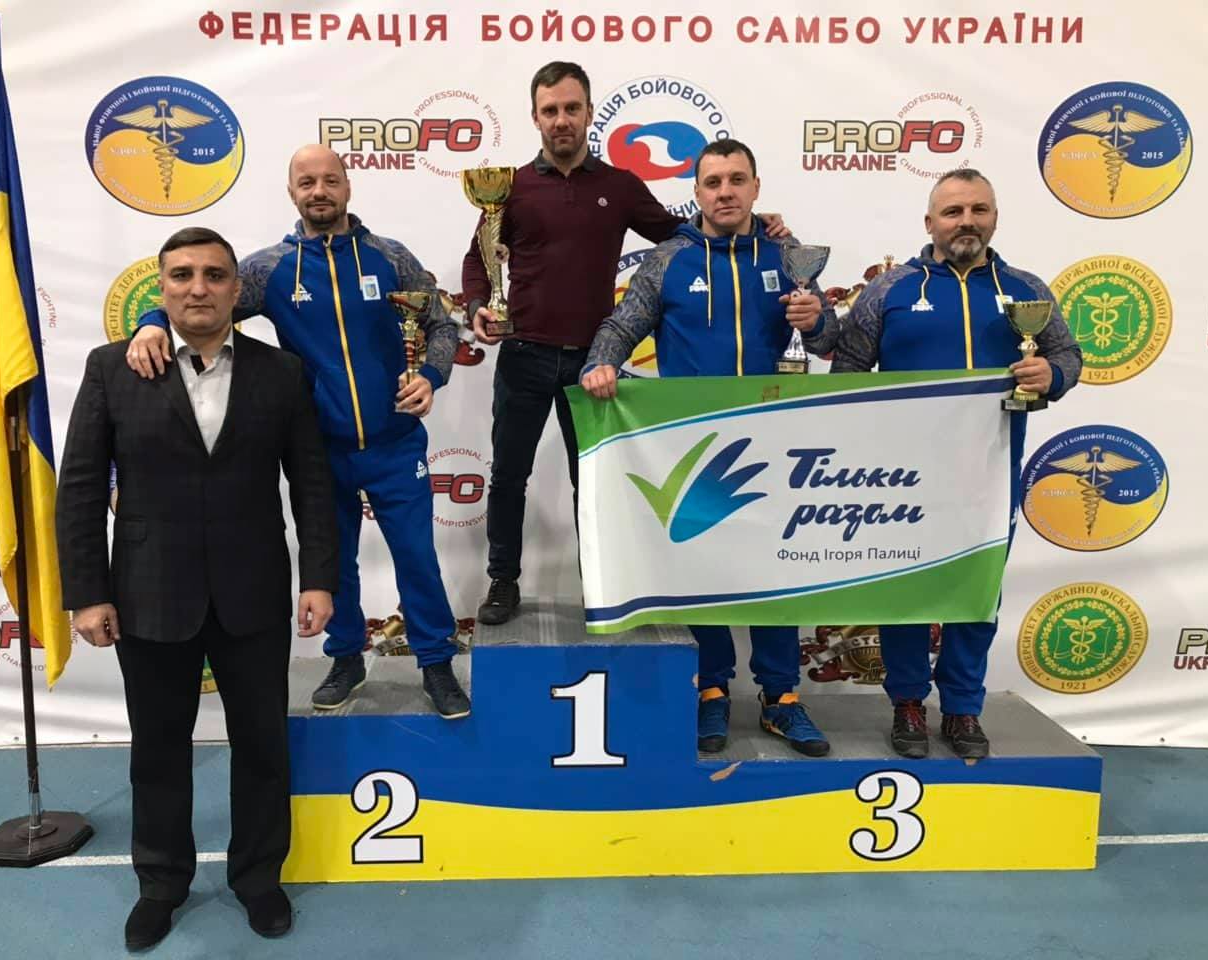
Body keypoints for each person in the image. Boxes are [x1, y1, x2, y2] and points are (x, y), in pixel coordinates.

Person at [56, 228, 338, 949]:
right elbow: (80, 487)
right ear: (161, 289)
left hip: (255, 592)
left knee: (263, 746)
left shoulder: (282, 372)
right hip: (148, 592)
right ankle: (160, 882)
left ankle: (259, 878)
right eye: (181, 275)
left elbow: (311, 482)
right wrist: (86, 593)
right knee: (157, 750)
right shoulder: (112, 368)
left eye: (214, 274)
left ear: (236, 290)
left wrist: (319, 578)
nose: (198, 287)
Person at [127, 145, 470, 718]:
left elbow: (441, 322)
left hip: (395, 442)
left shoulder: (390, 256)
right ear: (292, 193)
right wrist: (150, 322)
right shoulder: (269, 270)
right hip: (318, 449)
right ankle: (346, 657)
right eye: (306, 182)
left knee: (416, 557)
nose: (319, 191)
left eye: (330, 180)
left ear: (347, 187)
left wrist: (432, 376)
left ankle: (435, 661)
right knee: (332, 562)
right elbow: (206, 302)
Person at [464, 61, 787, 626]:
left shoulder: (620, 187)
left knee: (592, 483)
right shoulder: (510, 188)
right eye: (550, 110)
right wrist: (476, 308)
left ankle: (600, 584)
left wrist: (756, 225)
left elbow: (681, 235)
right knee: (508, 477)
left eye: (571, 108)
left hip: (594, 364)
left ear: (589, 112)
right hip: (522, 355)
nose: (561, 120)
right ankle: (502, 582)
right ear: (535, 117)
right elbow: (478, 261)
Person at [801, 168, 1083, 759]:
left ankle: (962, 707)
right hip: (903, 475)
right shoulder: (891, 290)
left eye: (979, 210)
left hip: (990, 471)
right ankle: (907, 701)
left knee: (976, 592)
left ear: (995, 217)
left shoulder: (1026, 290)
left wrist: (1051, 374)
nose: (966, 222)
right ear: (930, 222)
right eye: (953, 212)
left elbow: (1067, 355)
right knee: (906, 587)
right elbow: (849, 368)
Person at [580, 139, 835, 757]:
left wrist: (816, 321)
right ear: (696, 192)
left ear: (755, 187)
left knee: (778, 569)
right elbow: (623, 323)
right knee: (704, 569)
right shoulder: (669, 259)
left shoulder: (788, 254)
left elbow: (830, 341)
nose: (725, 192)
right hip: (698, 447)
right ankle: (712, 689)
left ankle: (782, 697)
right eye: (713, 182)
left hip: (779, 442)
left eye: (736, 180)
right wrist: (599, 362)